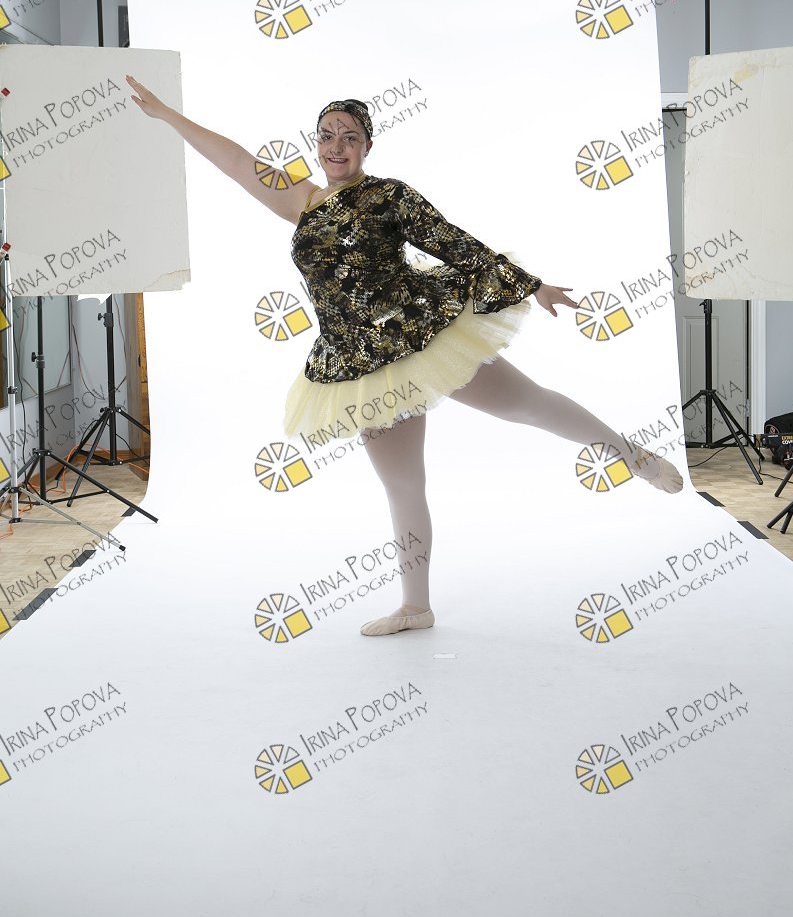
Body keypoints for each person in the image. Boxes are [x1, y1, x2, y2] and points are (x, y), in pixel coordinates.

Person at [126, 78, 683, 638]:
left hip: (419, 336)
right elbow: (235, 162)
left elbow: (451, 240)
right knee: (403, 484)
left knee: (527, 405)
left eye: (349, 136)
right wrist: (169, 116)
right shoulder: (301, 202)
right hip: (359, 363)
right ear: (315, 144)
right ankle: (416, 606)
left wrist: (531, 284)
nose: (337, 146)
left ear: (367, 146)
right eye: (326, 136)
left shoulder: (390, 196)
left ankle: (630, 455)